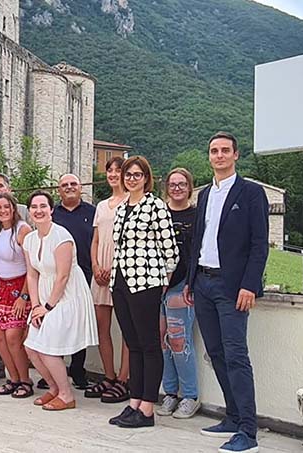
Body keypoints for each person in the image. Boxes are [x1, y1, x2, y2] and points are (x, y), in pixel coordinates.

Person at [186, 132, 269, 453]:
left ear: (236, 155)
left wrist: (250, 284)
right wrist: (192, 281)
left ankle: (248, 431)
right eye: (213, 151)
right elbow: (198, 241)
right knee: (216, 354)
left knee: (236, 356)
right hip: (203, 284)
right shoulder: (206, 194)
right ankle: (232, 417)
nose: (218, 155)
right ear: (209, 156)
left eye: (224, 150)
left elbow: (259, 244)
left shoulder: (251, 193)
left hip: (232, 288)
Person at [108, 156, 179, 429]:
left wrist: (163, 278)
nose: (132, 179)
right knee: (133, 344)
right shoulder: (121, 208)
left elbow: (170, 249)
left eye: (137, 175)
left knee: (149, 344)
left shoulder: (156, 206)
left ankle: (148, 408)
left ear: (146, 178)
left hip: (146, 282)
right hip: (120, 282)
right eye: (128, 174)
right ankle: (134, 402)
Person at [22, 191, 99, 411]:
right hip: (43, 296)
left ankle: (66, 395)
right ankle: (54, 388)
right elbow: (32, 275)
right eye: (34, 207)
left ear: (51, 210)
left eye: (43, 206)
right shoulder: (29, 240)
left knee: (47, 348)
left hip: (67, 295)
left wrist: (48, 307)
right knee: (31, 348)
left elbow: (63, 276)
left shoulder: (61, 236)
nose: (38, 210)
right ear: (29, 211)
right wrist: (36, 306)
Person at [84, 156, 131, 403]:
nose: (113, 174)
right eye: (110, 170)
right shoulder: (101, 206)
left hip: (123, 273)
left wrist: (114, 268)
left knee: (127, 329)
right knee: (102, 328)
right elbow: (96, 240)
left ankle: (124, 379)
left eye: (118, 170)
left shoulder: (133, 201)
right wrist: (95, 266)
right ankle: (109, 376)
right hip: (100, 273)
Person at [156, 168, 200, 419]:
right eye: (173, 184)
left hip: (181, 285)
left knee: (179, 341)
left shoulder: (197, 215)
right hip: (157, 285)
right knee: (162, 342)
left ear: (190, 187)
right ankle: (170, 393)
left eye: (182, 184)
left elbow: (197, 253)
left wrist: (190, 283)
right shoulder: (159, 213)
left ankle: (190, 396)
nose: (177, 188)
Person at [50, 173, 96, 391]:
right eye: (64, 185)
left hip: (84, 275)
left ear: (80, 187)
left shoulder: (92, 212)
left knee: (78, 323)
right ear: (59, 190)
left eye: (73, 184)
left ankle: (78, 370)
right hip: (55, 277)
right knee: (56, 323)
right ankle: (55, 370)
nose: (69, 187)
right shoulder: (52, 214)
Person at [0, 192, 33, 398]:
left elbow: (32, 267)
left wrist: (24, 296)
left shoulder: (22, 229)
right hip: (2, 288)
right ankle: (13, 379)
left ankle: (25, 380)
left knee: (13, 337)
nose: (3, 211)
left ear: (13, 208)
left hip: (20, 288)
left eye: (6, 206)